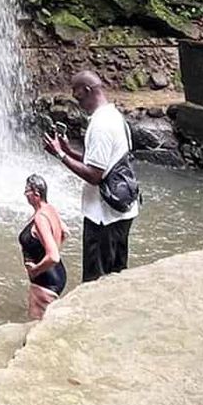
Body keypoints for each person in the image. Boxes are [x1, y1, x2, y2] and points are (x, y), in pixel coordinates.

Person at [43, 70, 138, 282]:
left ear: (86, 90)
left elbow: (95, 175)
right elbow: (104, 162)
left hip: (104, 217)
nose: (75, 99)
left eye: (76, 93)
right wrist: (69, 151)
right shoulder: (113, 115)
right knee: (117, 275)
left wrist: (59, 155)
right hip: (121, 213)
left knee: (96, 280)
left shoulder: (101, 125)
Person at [19, 173, 67, 319]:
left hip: (45, 282)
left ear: (36, 194)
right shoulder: (50, 209)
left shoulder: (40, 218)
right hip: (57, 275)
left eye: (27, 191)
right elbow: (65, 232)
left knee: (35, 327)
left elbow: (53, 256)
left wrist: (35, 270)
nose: (24, 194)